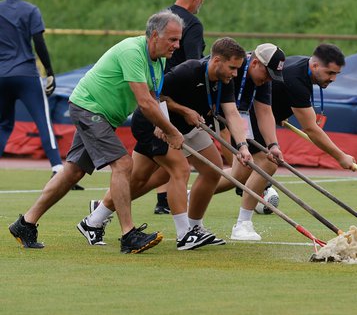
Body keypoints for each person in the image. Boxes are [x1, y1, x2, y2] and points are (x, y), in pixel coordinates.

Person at [8, 10, 185, 253]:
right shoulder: (132, 52)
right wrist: (172, 130)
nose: (177, 45)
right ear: (154, 35)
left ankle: (25, 223)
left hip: (102, 114)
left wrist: (161, 124)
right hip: (88, 108)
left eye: (178, 39)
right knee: (123, 164)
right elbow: (144, 102)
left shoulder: (160, 59)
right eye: (172, 39)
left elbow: (154, 97)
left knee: (72, 172)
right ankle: (128, 235)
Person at [82, 38, 253, 249]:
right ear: (217, 60)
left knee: (210, 169)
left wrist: (242, 146)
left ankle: (94, 220)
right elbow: (157, 96)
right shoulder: (188, 71)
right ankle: (184, 235)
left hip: (187, 129)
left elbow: (232, 113)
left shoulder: (226, 80)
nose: (235, 73)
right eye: (232, 68)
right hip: (155, 126)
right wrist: (183, 110)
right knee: (179, 169)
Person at [225, 43, 355, 241]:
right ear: (315, 66)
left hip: (260, 116)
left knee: (238, 175)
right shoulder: (296, 78)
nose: (333, 79)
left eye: (336, 74)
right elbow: (311, 128)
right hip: (250, 116)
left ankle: (196, 193)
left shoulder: (304, 68)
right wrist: (341, 157)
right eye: (330, 73)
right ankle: (243, 225)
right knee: (267, 163)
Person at [0, 0, 83, 190]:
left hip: (1, 75)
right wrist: (50, 72)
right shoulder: (31, 10)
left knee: (3, 124)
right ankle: (57, 168)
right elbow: (39, 41)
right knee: (43, 122)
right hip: (27, 74)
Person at [211, 43, 286, 240]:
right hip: (211, 116)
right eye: (267, 74)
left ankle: (194, 197)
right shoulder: (232, 68)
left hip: (238, 118)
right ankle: (241, 224)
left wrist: (273, 145)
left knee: (244, 171)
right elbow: (228, 114)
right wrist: (240, 147)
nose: (268, 79)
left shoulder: (262, 78)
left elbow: (264, 111)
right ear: (255, 63)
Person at [153, 0, 209, 215]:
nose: (201, 4)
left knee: (158, 159)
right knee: (178, 161)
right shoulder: (192, 24)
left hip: (155, 90)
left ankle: (163, 200)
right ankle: (104, 208)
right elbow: (194, 65)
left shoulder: (160, 19)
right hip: (177, 96)